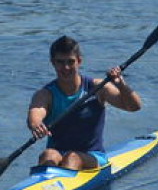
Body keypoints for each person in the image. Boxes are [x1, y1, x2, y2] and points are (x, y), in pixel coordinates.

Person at [27, 35, 142, 170]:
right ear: (53, 62)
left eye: (70, 62)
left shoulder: (98, 88)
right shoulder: (45, 94)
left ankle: (64, 186)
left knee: (73, 158)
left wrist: (121, 85)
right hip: (58, 153)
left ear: (79, 61)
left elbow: (134, 106)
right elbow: (35, 115)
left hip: (93, 156)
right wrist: (36, 126)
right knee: (47, 155)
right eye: (60, 62)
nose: (66, 67)